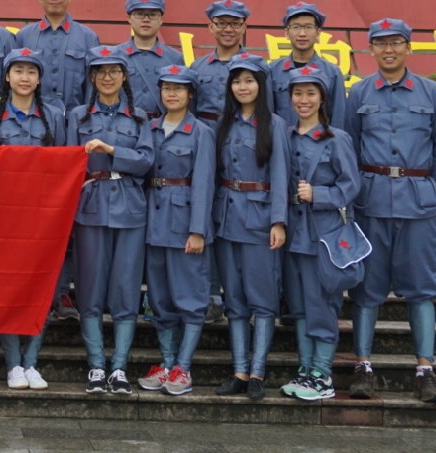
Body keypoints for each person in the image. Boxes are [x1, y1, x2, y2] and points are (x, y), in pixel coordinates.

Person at [347, 18, 436, 404]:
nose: (388, 50)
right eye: (381, 43)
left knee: (422, 289)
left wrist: (419, 179)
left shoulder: (432, 92)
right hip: (371, 203)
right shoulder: (359, 93)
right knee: (365, 289)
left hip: (417, 203)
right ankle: (363, 367)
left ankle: (425, 371)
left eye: (396, 43)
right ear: (371, 49)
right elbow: (349, 144)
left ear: (409, 48)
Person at [67, 47, 154, 395]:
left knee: (126, 289)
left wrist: (113, 150)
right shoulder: (78, 116)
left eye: (114, 71)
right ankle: (96, 366)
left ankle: (119, 367)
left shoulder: (139, 117)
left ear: (124, 76)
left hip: (130, 206)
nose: (107, 77)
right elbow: (68, 160)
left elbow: (147, 160)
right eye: (100, 71)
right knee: (89, 288)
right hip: (89, 205)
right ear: (91, 77)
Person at [0, 47, 64, 390]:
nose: (24, 78)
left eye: (31, 72)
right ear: (7, 77)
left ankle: (32, 361)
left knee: (40, 288)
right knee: (6, 288)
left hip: (43, 218)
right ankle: (13, 363)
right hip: (3, 218)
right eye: (18, 71)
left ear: (39, 79)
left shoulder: (54, 117)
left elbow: (64, 165)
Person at [212, 54, 288, 401]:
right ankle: (239, 371)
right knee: (235, 300)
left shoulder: (274, 125)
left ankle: (258, 372)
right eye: (237, 81)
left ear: (261, 85)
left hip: (260, 221)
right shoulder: (223, 124)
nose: (243, 87)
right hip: (227, 218)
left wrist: (278, 221)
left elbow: (281, 176)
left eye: (249, 81)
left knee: (263, 299)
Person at [281, 74, 361, 401]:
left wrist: (320, 195)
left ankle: (322, 374)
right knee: (299, 306)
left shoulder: (336, 138)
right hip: (293, 233)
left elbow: (351, 184)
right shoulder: (285, 137)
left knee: (323, 304)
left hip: (324, 234)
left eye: (311, 94)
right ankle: (306, 369)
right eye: (298, 94)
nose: (304, 100)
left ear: (322, 99)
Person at [137, 64, 215, 396]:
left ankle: (184, 367)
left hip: (184, 225)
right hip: (153, 223)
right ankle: (167, 362)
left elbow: (204, 184)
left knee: (190, 298)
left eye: (179, 88)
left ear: (190, 94)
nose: (171, 94)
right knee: (159, 298)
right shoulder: (150, 128)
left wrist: (198, 230)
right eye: (167, 88)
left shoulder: (201, 132)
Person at [14, 0, 99, 110]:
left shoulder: (88, 37)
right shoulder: (24, 36)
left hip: (74, 118)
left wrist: (86, 117)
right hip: (33, 118)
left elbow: (93, 86)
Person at [266, 2, 345, 125]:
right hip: (283, 137)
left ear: (318, 33)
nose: (302, 34)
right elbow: (268, 116)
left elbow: (338, 119)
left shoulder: (332, 72)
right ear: (286, 32)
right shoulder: (272, 70)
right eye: (296, 27)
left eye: (308, 27)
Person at [116, 0, 186, 118]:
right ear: (129, 18)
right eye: (140, 14)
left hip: (161, 125)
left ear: (161, 20)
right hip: (124, 123)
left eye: (152, 15)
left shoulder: (175, 58)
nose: (146, 19)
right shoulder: (116, 56)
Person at [190, 0, 252, 123]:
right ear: (211, 27)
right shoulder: (197, 67)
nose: (228, 29)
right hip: (205, 130)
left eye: (235, 24)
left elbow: (265, 111)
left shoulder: (255, 66)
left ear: (244, 28)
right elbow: (190, 110)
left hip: (240, 130)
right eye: (221, 23)